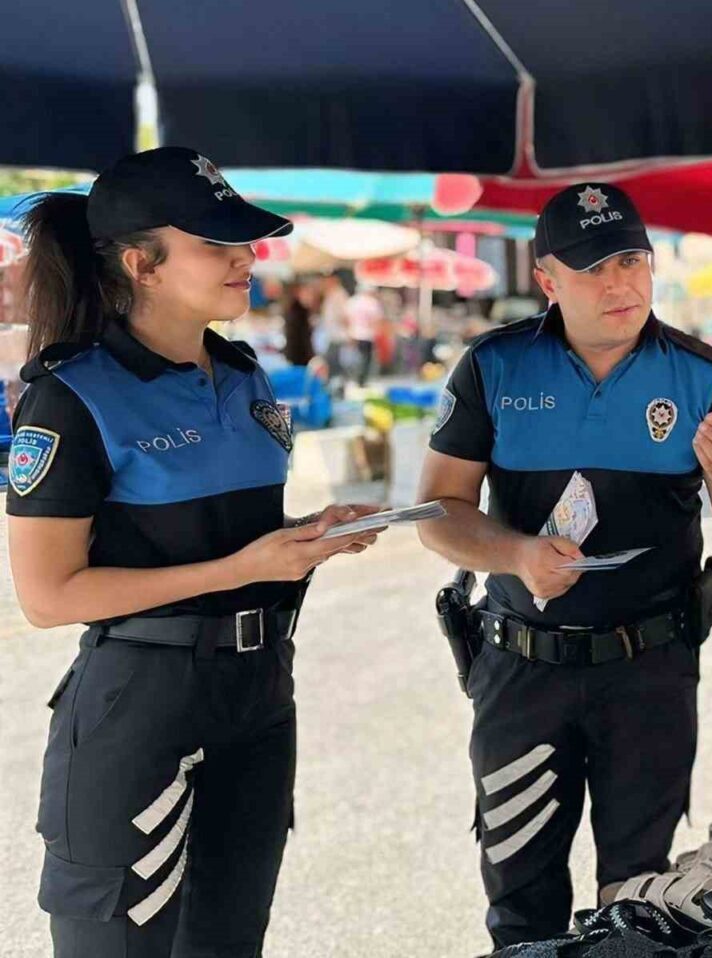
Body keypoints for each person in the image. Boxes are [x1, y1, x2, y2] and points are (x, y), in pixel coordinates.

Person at [6, 147, 386, 957]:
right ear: (143, 263)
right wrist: (240, 571)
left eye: (243, 242)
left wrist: (310, 536)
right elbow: (47, 597)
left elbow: (235, 536)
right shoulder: (70, 396)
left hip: (257, 699)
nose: (247, 258)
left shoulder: (244, 376)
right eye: (217, 245)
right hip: (139, 703)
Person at [417, 183, 712, 948]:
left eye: (631, 261)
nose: (619, 284)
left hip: (649, 673)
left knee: (639, 900)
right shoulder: (494, 368)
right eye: (593, 269)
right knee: (519, 904)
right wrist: (517, 554)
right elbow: (438, 512)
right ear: (548, 279)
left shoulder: (701, 376)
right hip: (521, 669)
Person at [344, 284, 384, 387]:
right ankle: (360, 380)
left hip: (354, 333)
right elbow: (377, 320)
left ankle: (355, 379)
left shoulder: (352, 302)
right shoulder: (372, 303)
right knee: (365, 359)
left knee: (356, 359)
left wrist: (349, 332)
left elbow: (346, 319)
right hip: (367, 335)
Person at [281, 280, 316, 367]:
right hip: (299, 354)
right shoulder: (298, 312)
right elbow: (303, 337)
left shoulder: (295, 310)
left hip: (296, 354)